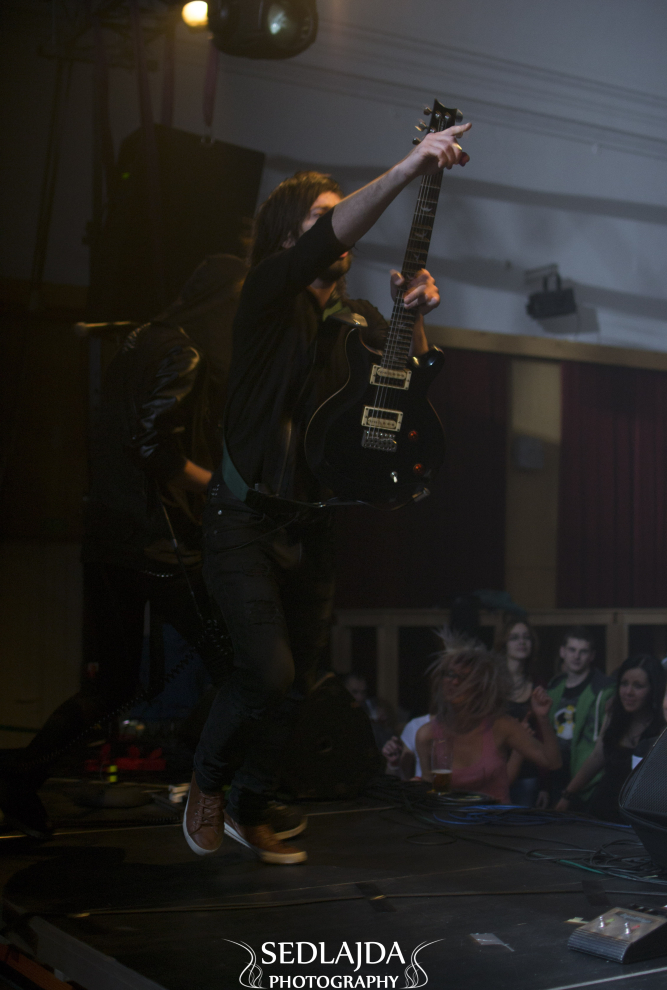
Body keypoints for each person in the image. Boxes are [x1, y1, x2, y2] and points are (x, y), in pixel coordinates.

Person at [182, 120, 473, 863]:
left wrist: (414, 323)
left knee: (299, 683)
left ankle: (252, 805)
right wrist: (408, 166)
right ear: (290, 235)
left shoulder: (358, 321)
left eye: (336, 216)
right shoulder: (264, 294)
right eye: (322, 217)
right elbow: (323, 241)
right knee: (266, 670)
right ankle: (207, 785)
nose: (338, 228)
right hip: (242, 519)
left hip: (311, 523)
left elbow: (402, 394)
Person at [0, 255, 245, 839]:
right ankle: (213, 786)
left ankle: (20, 780)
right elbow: (152, 446)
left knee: (111, 684)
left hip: (108, 538)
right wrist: (219, 488)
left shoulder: (140, 341)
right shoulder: (184, 352)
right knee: (238, 664)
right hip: (157, 544)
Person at [415, 636, 561, 802]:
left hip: (495, 817)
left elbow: (552, 762)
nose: (454, 682)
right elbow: (431, 793)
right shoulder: (427, 735)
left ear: (480, 686)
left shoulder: (500, 725)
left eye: (464, 677)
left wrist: (542, 717)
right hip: (451, 818)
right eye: (450, 674)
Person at [555, 655, 666, 822]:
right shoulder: (614, 713)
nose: (628, 692)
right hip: (604, 805)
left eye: (638, 686)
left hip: (640, 815)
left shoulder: (661, 726)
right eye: (624, 684)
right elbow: (597, 756)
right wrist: (568, 795)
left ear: (654, 688)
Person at [547, 627, 614, 806]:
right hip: (556, 776)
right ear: (562, 652)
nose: (576, 656)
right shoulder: (553, 688)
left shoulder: (604, 690)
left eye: (583, 651)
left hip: (589, 782)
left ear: (592, 656)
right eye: (572, 650)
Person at [495, 617, 548, 807]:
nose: (522, 642)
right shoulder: (492, 682)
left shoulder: (537, 683)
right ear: (504, 644)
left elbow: (542, 735)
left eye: (526, 637)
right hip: (496, 771)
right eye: (514, 637)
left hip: (528, 773)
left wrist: (544, 785)